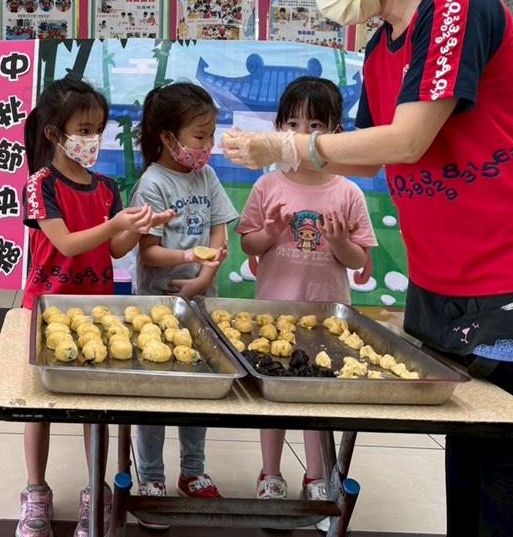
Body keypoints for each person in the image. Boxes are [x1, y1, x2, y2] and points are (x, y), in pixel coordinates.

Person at [223, 0, 513, 537]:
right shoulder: (382, 47)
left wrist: (290, 146)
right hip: (444, 272)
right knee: (463, 435)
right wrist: (279, 157)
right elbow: (364, 158)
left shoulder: (455, 3)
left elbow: (409, 139)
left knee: (506, 445)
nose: (321, 0)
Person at [19, 76, 173, 537]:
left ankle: (94, 490)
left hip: (94, 310)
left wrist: (141, 225)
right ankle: (35, 491)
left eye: (97, 130)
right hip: (46, 309)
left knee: (93, 408)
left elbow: (115, 248)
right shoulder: (40, 184)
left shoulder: (106, 187)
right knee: (38, 405)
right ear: (54, 133)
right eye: (83, 130)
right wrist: (115, 224)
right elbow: (66, 243)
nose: (92, 139)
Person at [236, 77, 376, 531]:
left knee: (318, 400)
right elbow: (248, 244)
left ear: (336, 133)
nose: (301, 134)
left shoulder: (348, 192)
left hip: (325, 317)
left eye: (315, 125)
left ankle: (317, 476)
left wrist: (339, 242)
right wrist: (272, 232)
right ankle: (270, 473)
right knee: (272, 395)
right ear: (278, 129)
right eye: (292, 124)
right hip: (273, 314)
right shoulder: (267, 185)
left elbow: (359, 260)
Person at [130, 82, 236, 530]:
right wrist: (191, 257)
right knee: (155, 395)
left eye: (211, 135)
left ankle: (193, 471)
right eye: (200, 136)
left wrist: (206, 275)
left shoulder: (206, 177)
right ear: (168, 138)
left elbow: (220, 228)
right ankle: (151, 478)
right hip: (158, 307)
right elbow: (149, 252)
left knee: (199, 391)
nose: (207, 145)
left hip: (202, 303)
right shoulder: (152, 184)